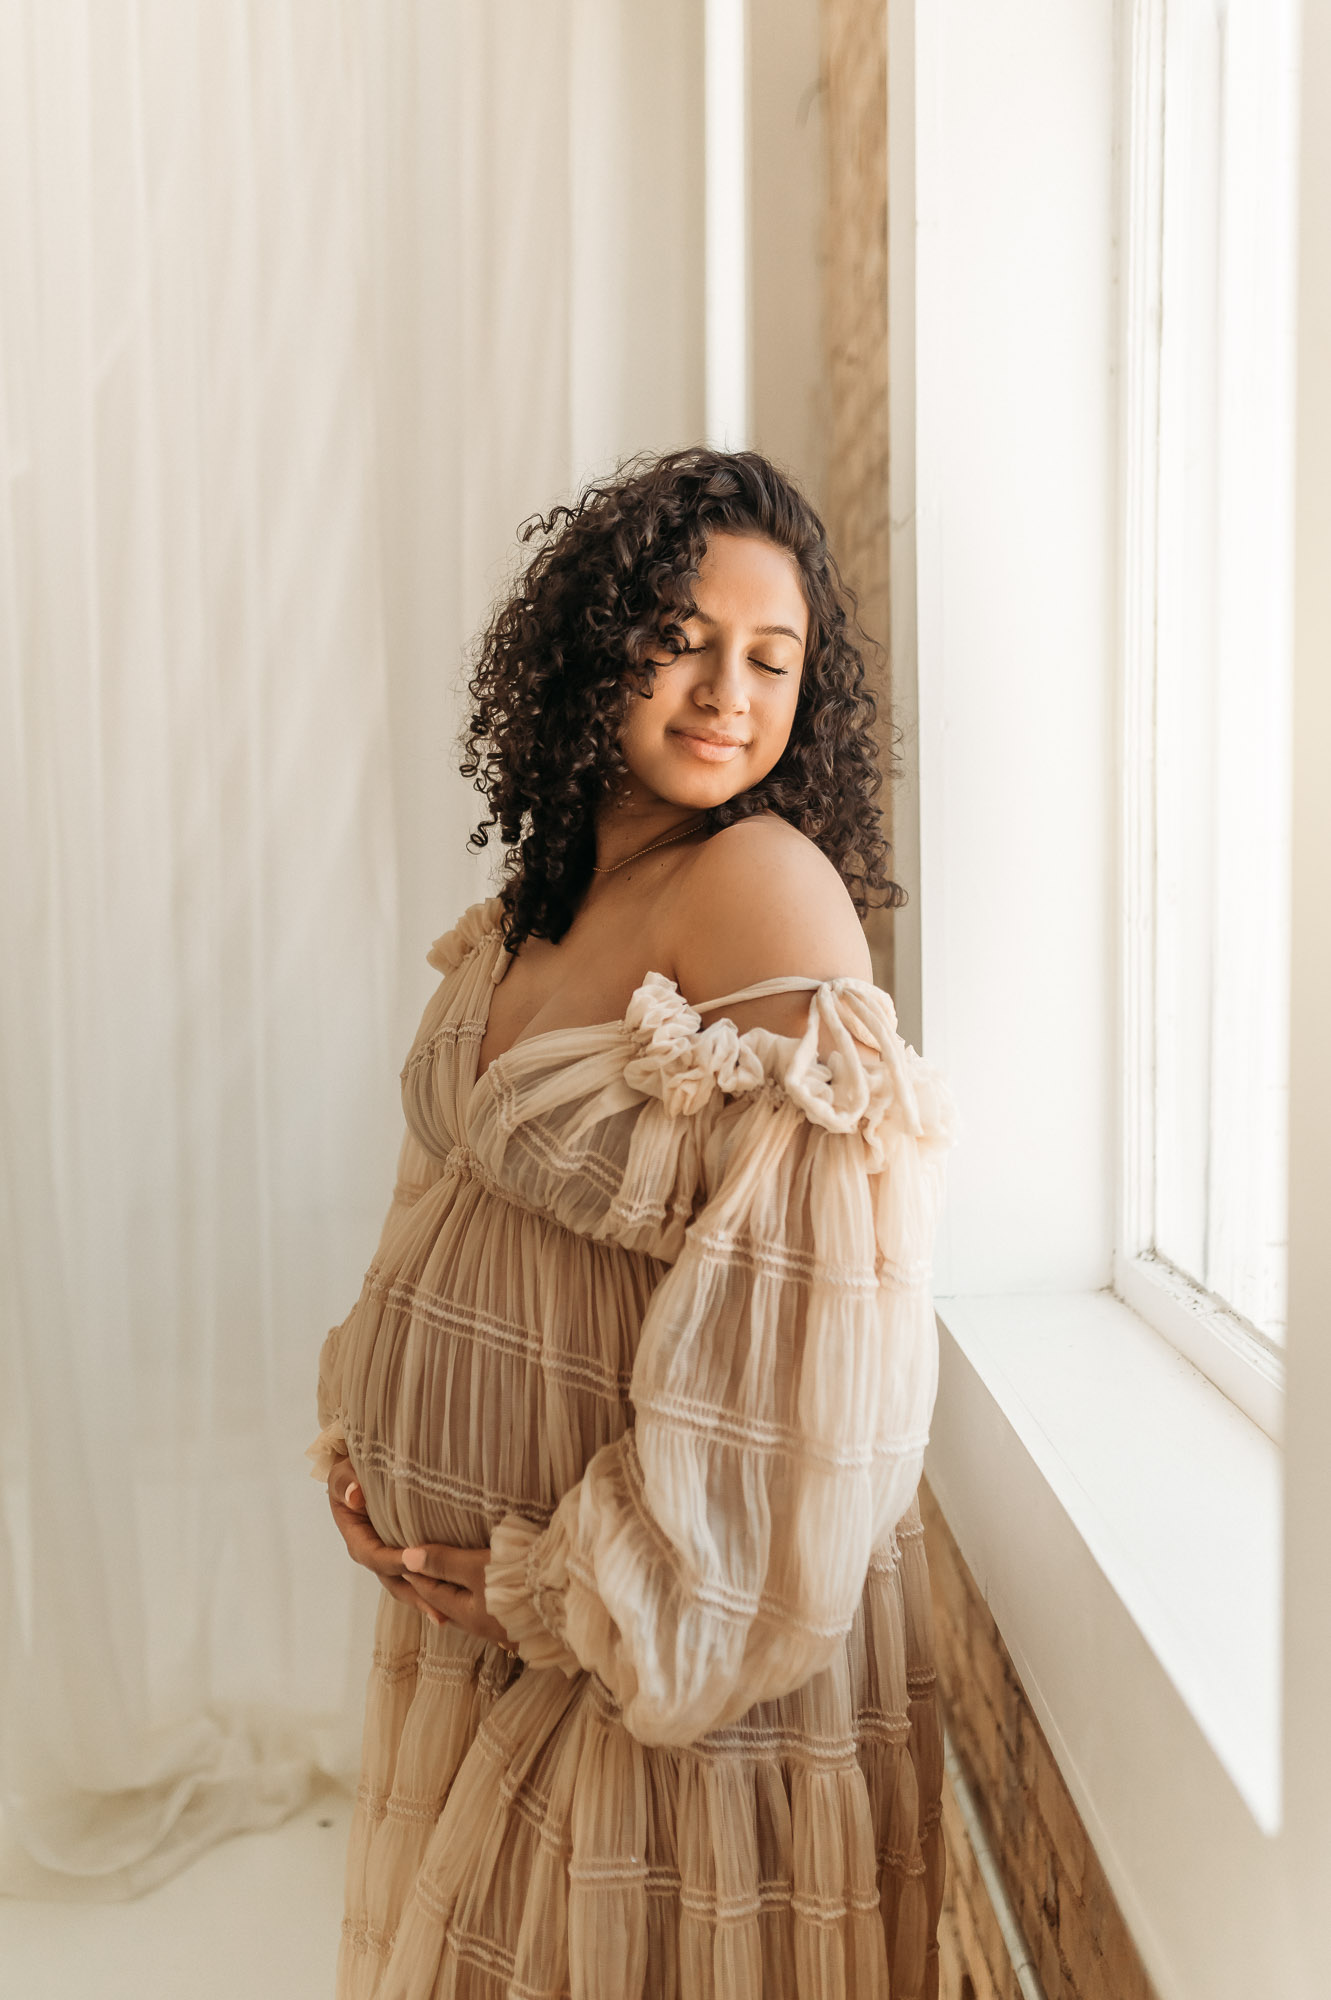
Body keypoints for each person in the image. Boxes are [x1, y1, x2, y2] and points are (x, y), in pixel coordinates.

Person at [308, 447, 956, 2000]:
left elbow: (824, 1330)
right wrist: (361, 1433)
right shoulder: (550, 894)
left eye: (772, 658)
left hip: (654, 1671)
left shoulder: (759, 885)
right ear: (597, 643)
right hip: (485, 1626)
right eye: (682, 637)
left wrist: (573, 1592)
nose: (728, 691)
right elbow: (442, 1192)